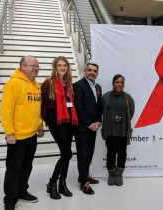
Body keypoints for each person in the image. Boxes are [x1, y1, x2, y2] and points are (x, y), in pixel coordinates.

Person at [0, 56, 44, 210]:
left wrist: (40, 126)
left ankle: (22, 191)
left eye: (37, 66)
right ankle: (10, 200)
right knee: (14, 168)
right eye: (33, 65)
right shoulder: (13, 84)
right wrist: (9, 133)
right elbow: (5, 111)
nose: (36, 68)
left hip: (31, 135)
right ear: (22, 67)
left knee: (27, 166)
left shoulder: (36, 86)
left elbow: (36, 110)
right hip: (17, 137)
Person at [41, 56, 78, 199]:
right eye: (59, 65)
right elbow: (43, 107)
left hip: (69, 122)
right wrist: (49, 123)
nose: (62, 68)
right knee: (67, 154)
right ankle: (52, 183)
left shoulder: (68, 84)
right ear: (54, 67)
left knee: (66, 155)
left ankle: (63, 184)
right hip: (56, 123)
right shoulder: (48, 83)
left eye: (65, 65)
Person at [73, 62, 102, 195]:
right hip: (83, 128)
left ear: (97, 73)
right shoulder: (78, 86)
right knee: (83, 155)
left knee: (89, 153)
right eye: (89, 70)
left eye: (95, 71)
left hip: (93, 127)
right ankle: (84, 183)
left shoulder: (98, 87)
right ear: (85, 71)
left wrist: (98, 122)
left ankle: (85, 176)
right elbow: (78, 108)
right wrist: (89, 124)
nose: (92, 72)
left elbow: (98, 107)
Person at [101, 74, 135, 186]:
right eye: (117, 82)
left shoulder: (128, 98)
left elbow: (131, 112)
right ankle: (111, 174)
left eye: (122, 82)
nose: (119, 84)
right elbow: (102, 111)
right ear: (113, 83)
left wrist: (123, 122)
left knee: (122, 153)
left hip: (123, 131)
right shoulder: (105, 97)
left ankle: (119, 175)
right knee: (110, 153)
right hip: (110, 130)